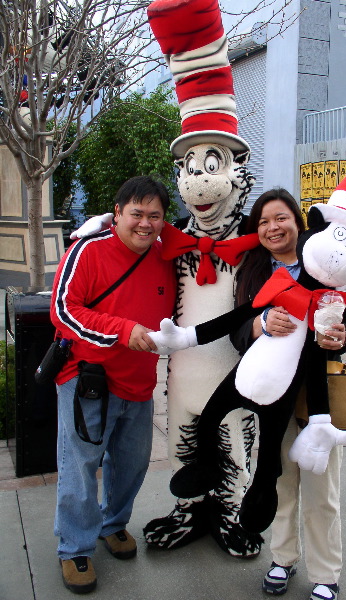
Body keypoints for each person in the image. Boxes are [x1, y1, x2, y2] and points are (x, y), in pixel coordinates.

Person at [229, 188, 346, 600]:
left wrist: (341, 336)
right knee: (280, 483)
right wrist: (259, 324)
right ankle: (282, 560)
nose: (272, 227)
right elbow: (235, 329)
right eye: (264, 221)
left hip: (319, 399)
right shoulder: (252, 271)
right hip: (274, 400)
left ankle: (326, 574)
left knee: (323, 493)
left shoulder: (323, 256)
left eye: (281, 217)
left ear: (297, 222)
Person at [50, 176, 176, 594]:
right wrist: (122, 330)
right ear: (117, 213)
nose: (145, 223)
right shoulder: (87, 250)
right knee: (82, 464)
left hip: (139, 381)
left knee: (132, 461)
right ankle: (75, 547)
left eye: (154, 215)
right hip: (88, 378)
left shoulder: (165, 256)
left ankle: (113, 523)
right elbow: (64, 311)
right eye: (136, 213)